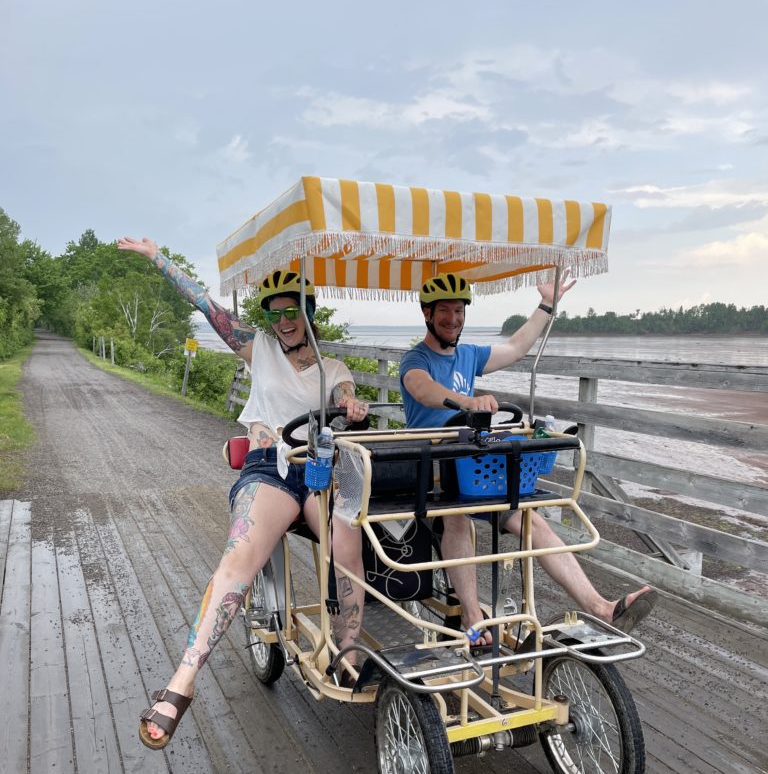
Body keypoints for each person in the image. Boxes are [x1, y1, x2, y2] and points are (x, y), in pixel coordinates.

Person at [118, 237, 369, 747]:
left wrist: (352, 405)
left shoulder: (333, 368)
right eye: (274, 313)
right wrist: (158, 258)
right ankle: (181, 683)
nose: (283, 321)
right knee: (238, 560)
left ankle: (349, 647)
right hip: (269, 469)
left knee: (348, 545)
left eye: (291, 311)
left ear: (308, 311)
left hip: (318, 470)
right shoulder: (260, 350)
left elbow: (347, 395)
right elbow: (205, 304)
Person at [399, 272, 656, 645]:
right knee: (456, 520)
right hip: (433, 471)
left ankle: (602, 607)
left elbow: (518, 347)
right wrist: (466, 402)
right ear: (427, 314)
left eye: (458, 311)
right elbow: (422, 389)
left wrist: (547, 305)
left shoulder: (469, 355)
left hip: (472, 464)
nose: (452, 319)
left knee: (530, 520)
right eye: (443, 312)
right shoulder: (415, 359)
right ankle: (473, 619)